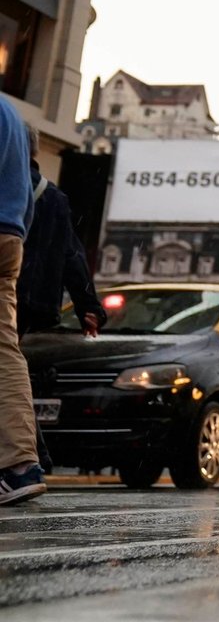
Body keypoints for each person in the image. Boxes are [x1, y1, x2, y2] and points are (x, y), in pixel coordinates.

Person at [19, 128, 105, 337]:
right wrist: (89, 307)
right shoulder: (53, 197)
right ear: (34, 152)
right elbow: (72, 255)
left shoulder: (10, 185)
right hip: (27, 302)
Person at [0, 95, 42, 505]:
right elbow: (28, 191)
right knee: (4, 351)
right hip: (10, 235)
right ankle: (19, 466)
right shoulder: (12, 114)